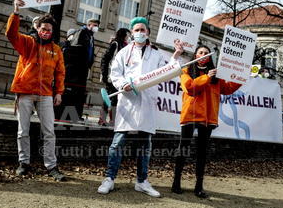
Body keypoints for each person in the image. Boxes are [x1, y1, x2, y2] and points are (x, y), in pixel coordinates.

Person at [97, 17, 184, 197]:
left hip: (147, 101)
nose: (139, 33)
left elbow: (167, 72)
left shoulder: (156, 53)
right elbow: (115, 74)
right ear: (131, 32)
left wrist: (176, 55)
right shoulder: (123, 52)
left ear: (148, 33)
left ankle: (142, 181)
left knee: (145, 143)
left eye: (142, 30)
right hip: (127, 101)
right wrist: (122, 85)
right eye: (136, 30)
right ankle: (109, 178)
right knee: (118, 142)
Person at [6, 0, 66, 181]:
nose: (46, 32)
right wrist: (16, 11)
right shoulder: (28, 43)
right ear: (38, 29)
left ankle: (51, 166)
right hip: (25, 92)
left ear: (52, 31)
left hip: (46, 95)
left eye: (49, 30)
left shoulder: (57, 50)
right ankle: (23, 163)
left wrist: (59, 93)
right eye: (43, 29)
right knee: (22, 130)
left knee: (49, 132)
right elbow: (11, 34)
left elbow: (60, 73)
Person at [171, 45, 241, 198]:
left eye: (206, 53)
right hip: (190, 114)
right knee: (183, 148)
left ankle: (199, 186)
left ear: (210, 56)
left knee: (202, 152)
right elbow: (190, 88)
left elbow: (228, 88)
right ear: (195, 55)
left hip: (208, 117)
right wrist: (207, 77)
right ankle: (176, 182)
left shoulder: (216, 75)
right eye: (200, 52)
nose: (203, 55)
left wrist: (240, 78)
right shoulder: (185, 70)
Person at [55, 18, 99, 122]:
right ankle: (67, 115)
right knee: (73, 93)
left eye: (97, 25)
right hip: (76, 70)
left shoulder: (91, 36)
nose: (96, 27)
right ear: (89, 24)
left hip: (83, 69)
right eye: (95, 25)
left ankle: (75, 115)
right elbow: (78, 50)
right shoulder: (82, 33)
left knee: (79, 93)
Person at [99, 28, 131, 126]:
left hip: (121, 77)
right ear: (123, 35)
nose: (129, 37)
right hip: (112, 75)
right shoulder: (115, 44)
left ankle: (112, 120)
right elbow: (105, 58)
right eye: (128, 35)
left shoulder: (126, 46)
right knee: (109, 97)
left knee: (116, 98)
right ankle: (103, 119)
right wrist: (104, 74)